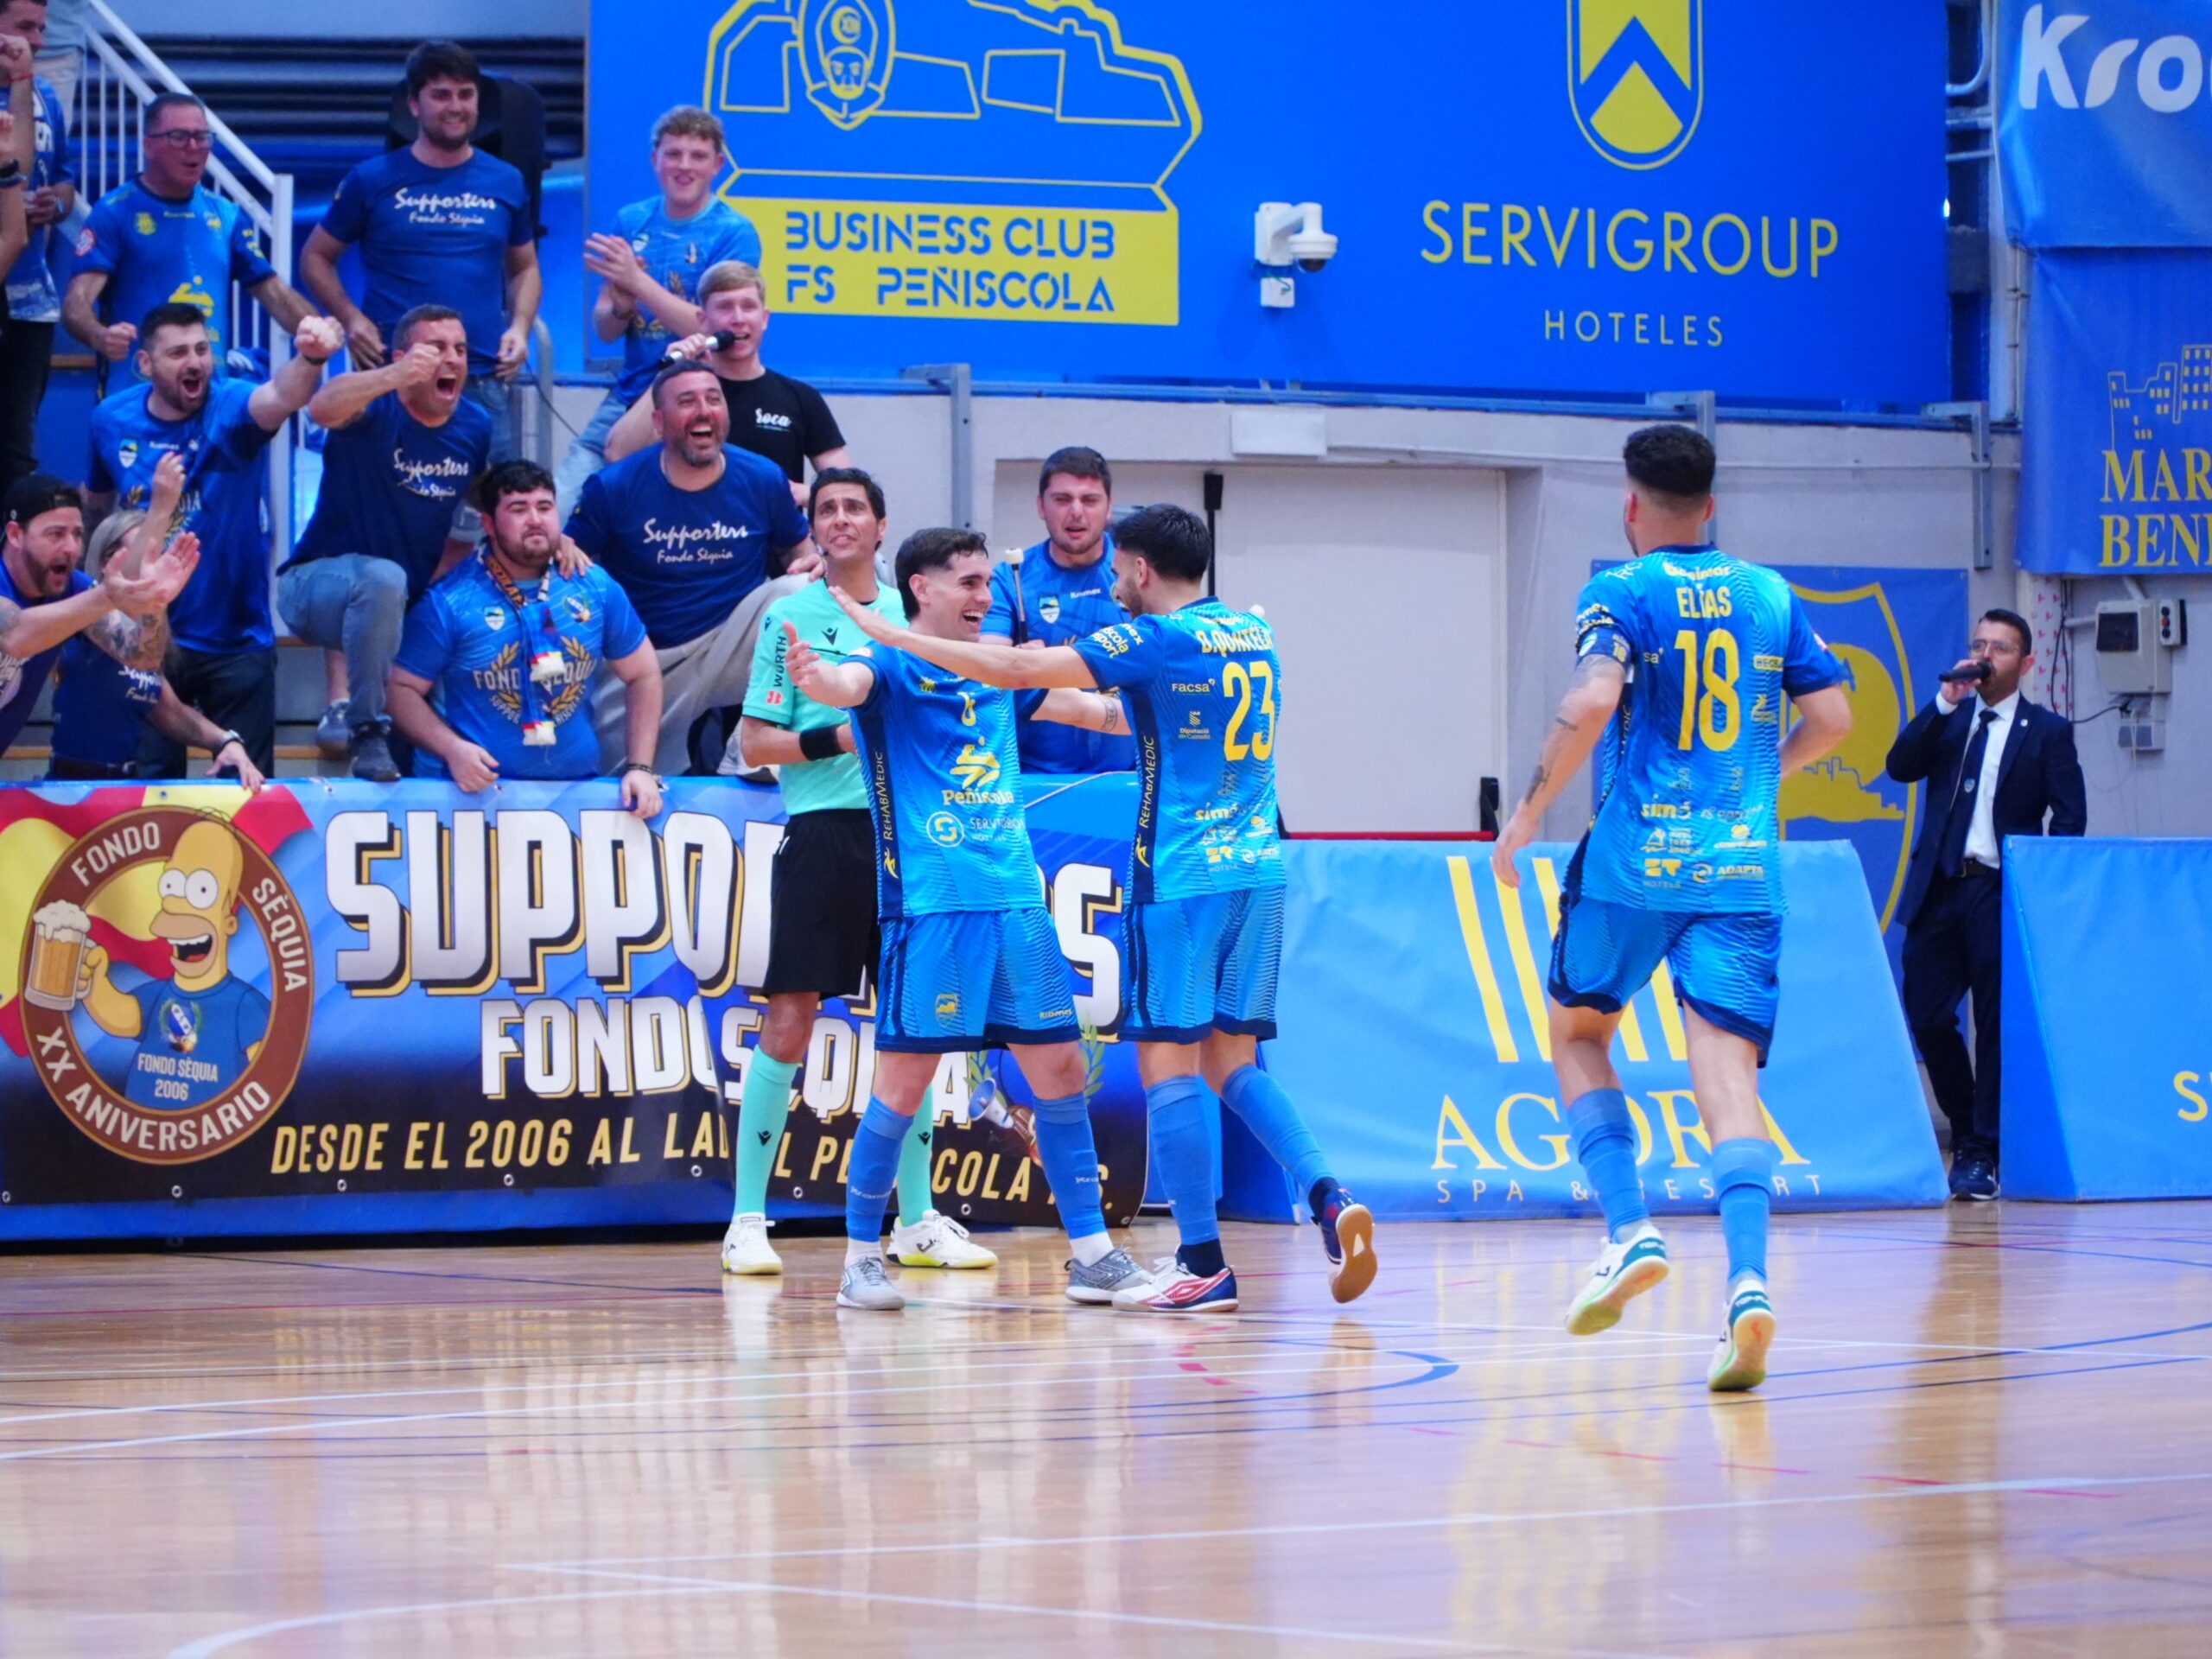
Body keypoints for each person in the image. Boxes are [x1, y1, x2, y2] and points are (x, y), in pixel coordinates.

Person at [825, 505, 1376, 1315]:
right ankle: (1328, 1193)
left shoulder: (1152, 638)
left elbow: (1025, 673)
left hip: (1179, 877)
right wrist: (851, 667)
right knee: (1230, 1063)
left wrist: (889, 630)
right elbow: (1105, 711)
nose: (1112, 582)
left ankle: (1194, 1259)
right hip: (1252, 870)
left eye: (1118, 569)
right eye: (969, 583)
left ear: (1143, 570)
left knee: (1156, 1067)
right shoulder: (1254, 632)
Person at [1486, 424, 1854, 1393]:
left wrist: (1526, 814)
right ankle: (1747, 1285)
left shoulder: (1621, 590)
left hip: (1635, 865)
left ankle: (1629, 1230)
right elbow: (1834, 720)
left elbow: (1593, 701)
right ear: (1712, 504)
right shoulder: (1770, 595)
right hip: (1739, 869)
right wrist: (1756, 781)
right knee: (1727, 1077)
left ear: (1631, 504)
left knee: (1578, 1035)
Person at [783, 526, 1154, 1312]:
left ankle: (1093, 1255)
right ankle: (860, 1260)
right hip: (934, 906)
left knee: (1060, 1071)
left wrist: (1162, 698)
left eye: (989, 582)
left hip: (1015, 901)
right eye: (970, 583)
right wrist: (817, 678)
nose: (987, 597)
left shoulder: (999, 669)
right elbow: (847, 686)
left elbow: (1095, 712)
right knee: (903, 1085)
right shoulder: (889, 662)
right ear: (922, 588)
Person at [718, 468, 993, 1276]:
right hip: (824, 833)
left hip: (914, 838)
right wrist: (838, 738)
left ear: (881, 527)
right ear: (812, 529)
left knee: (914, 1026)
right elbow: (755, 743)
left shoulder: (918, 617)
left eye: (854, 508)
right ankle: (746, 1221)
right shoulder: (791, 617)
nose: (840, 518)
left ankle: (917, 1220)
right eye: (826, 508)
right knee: (790, 1018)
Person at [86, 305, 343, 776]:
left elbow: (281, 394)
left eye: (202, 350)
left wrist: (310, 359)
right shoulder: (110, 419)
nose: (195, 363)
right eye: (178, 353)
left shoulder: (230, 406)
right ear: (145, 363)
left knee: (244, 793)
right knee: (150, 793)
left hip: (236, 638)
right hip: (151, 640)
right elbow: (98, 512)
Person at [1886, 609, 2086, 1201]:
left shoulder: (2046, 731)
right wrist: (1944, 703)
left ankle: (1982, 1150)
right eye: (1978, 644)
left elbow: (2069, 819)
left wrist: (2040, 893)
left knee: (1995, 1024)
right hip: (1941, 887)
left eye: (1999, 647)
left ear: (2025, 663)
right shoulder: (1951, 721)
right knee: (1927, 1014)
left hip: (1999, 890)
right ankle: (1967, 1124)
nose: (1984, 655)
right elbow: (1899, 766)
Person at [565, 359, 817, 775]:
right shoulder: (614, 487)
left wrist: (811, 565)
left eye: (713, 399)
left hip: (729, 643)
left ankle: (752, 750)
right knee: (612, 780)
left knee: (803, 591)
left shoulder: (762, 477)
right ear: (659, 423)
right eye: (687, 402)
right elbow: (570, 569)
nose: (703, 411)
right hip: (644, 659)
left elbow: (800, 553)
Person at [278, 302, 491, 780]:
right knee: (382, 579)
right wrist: (394, 376)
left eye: (460, 349)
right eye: (437, 347)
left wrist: (555, 537)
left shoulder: (474, 425)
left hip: (399, 603)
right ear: (403, 356)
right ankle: (365, 729)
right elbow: (322, 407)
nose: (452, 358)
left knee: (423, 598)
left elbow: (486, 493)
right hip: (313, 587)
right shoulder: (374, 406)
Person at [388, 460, 663, 817]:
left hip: (574, 801)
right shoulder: (450, 601)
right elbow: (399, 690)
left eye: (544, 507)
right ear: (489, 523)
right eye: (518, 509)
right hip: (471, 803)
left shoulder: (594, 586)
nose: (535, 519)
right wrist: (452, 749)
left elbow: (644, 674)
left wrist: (640, 767)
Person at [299, 39, 538, 449]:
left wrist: (520, 326)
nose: (455, 106)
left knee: (493, 492)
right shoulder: (370, 179)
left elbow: (525, 267)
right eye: (441, 95)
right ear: (414, 104)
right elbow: (316, 258)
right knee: (384, 491)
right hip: (391, 379)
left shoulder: (507, 180)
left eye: (466, 94)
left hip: (482, 380)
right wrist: (352, 320)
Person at [555, 106, 760, 516]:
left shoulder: (734, 232)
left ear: (718, 165)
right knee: (562, 506)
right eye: (674, 154)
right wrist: (622, 305)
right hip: (633, 391)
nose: (684, 166)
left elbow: (717, 331)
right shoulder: (631, 221)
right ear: (655, 160)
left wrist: (638, 282)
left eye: (697, 156)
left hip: (705, 394)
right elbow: (606, 329)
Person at [62, 92, 314, 377]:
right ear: (149, 146)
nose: (193, 147)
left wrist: (315, 327)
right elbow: (76, 303)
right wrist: (100, 336)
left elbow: (274, 293)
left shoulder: (226, 215)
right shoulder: (113, 212)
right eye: (179, 137)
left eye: (202, 137)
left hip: (210, 393)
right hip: (136, 392)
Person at [48, 462, 263, 790]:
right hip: (70, 790)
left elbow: (173, 712)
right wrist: (162, 506)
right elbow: (126, 598)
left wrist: (226, 741)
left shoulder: (147, 635)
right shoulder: (84, 614)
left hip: (124, 787)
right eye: (143, 554)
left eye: (158, 555)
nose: (154, 566)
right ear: (107, 563)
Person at [601, 261, 850, 499]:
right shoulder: (678, 394)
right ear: (703, 321)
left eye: (748, 307)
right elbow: (617, 453)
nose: (738, 319)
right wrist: (667, 376)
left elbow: (849, 487)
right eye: (725, 307)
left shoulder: (800, 398)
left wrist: (808, 494)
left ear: (764, 318)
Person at [0, 470, 197, 760]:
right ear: (16, 535)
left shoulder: (72, 587)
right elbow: (15, 635)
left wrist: (154, 604)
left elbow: (141, 656)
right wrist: (108, 595)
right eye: (56, 534)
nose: (71, 548)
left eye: (77, 534)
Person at [982, 445, 1135, 777]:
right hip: (1036, 781)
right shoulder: (1010, 579)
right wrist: (1017, 661)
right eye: (1062, 499)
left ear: (1109, 507)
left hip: (1129, 778)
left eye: (1090, 500)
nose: (1076, 512)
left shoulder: (1137, 570)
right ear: (1041, 506)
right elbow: (987, 665)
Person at [2, 9, 73, 490]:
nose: (39, 40)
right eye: (26, 27)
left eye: (43, 28)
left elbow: (62, 178)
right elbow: (16, 170)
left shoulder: (45, 95)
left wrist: (56, 205)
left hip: (31, 298)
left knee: (17, 449)